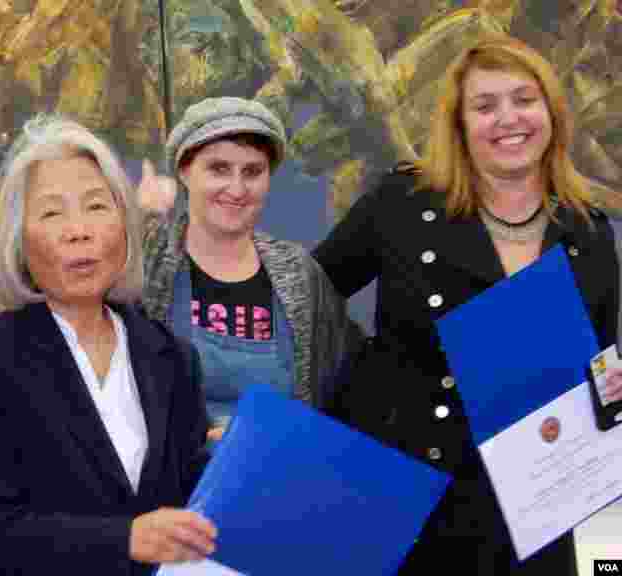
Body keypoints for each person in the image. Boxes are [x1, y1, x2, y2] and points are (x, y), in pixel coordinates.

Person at [312, 34, 617, 574]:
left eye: (525, 99)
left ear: (551, 112)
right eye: (485, 105)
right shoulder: (403, 202)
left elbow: (597, 364)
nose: (508, 118)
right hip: (413, 498)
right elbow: (305, 293)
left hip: (536, 504)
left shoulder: (587, 229)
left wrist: (613, 385)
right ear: (458, 125)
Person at [0, 116, 217, 575]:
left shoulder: (172, 357)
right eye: (52, 212)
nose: (78, 230)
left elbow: (187, 502)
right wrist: (125, 539)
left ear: (125, 225)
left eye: (95, 206)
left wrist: (223, 462)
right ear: (19, 241)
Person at [140, 96, 357, 436]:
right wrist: (139, 218)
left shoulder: (299, 273)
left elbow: (342, 387)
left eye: (253, 172)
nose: (237, 189)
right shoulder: (148, 259)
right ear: (184, 171)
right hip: (172, 485)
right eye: (219, 169)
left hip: (276, 481)